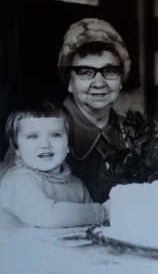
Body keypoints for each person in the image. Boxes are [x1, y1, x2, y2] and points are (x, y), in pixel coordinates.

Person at [0, 18, 132, 204]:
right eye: (85, 72)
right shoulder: (39, 129)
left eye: (110, 70)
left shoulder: (133, 132)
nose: (99, 83)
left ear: (121, 79)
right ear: (69, 81)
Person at [0, 95, 109, 228]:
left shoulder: (77, 185)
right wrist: (102, 212)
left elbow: (94, 227)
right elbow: (45, 217)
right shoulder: (17, 180)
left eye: (55, 135)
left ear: (68, 144)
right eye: (32, 136)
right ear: (16, 147)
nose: (45, 144)